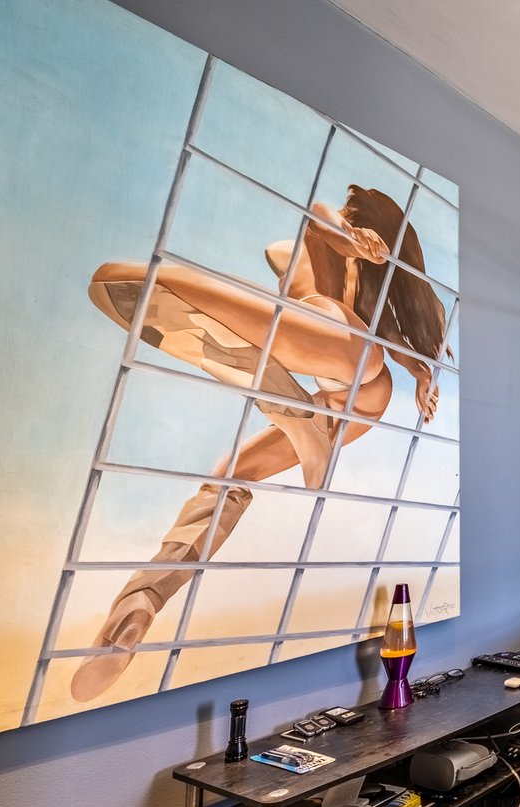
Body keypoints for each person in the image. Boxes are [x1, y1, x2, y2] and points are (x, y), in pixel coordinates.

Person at [71, 185, 450, 701]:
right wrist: (356, 242)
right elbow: (335, 231)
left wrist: (422, 372)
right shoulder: (336, 235)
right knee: (233, 471)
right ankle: (141, 602)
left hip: (343, 359)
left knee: (332, 341)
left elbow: (343, 249)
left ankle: (294, 412)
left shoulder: (339, 253)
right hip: (357, 395)